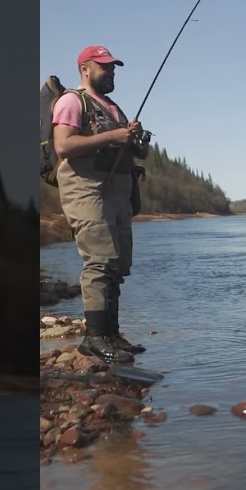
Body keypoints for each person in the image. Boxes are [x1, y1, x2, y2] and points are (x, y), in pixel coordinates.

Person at [51, 45, 150, 364]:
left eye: (113, 68)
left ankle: (112, 334)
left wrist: (134, 139)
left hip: (118, 192)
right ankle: (94, 338)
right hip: (88, 190)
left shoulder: (113, 108)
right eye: (104, 67)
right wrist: (114, 137)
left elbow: (136, 153)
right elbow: (64, 145)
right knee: (100, 260)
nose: (111, 72)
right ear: (85, 69)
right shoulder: (71, 101)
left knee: (117, 265)